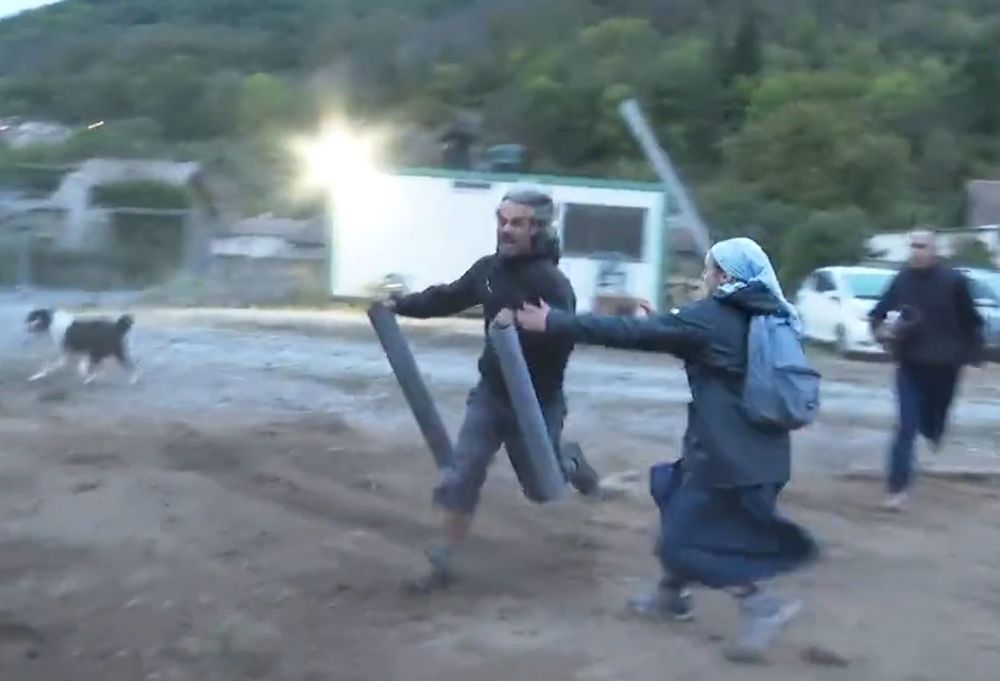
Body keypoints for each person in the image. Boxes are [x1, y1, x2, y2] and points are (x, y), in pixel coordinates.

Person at [517, 237, 818, 661]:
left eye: (709, 270)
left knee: (683, 541)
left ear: (725, 276)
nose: (703, 278)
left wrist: (555, 321)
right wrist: (665, 325)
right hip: (759, 456)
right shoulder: (770, 314)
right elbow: (706, 350)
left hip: (726, 459)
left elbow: (632, 334)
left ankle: (758, 604)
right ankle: (670, 597)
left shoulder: (713, 316)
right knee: (674, 496)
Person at [386, 187, 600, 593]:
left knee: (541, 489)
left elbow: (565, 338)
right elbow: (448, 296)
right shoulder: (488, 270)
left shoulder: (552, 284)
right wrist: (400, 305)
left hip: (537, 401)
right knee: (463, 470)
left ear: (537, 229)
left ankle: (570, 461)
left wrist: (527, 327)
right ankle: (444, 559)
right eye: (502, 221)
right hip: (491, 394)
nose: (506, 230)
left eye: (516, 223)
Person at [869, 230, 984, 511]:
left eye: (922, 246)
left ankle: (932, 430)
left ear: (934, 250)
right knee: (905, 427)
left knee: (933, 420)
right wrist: (882, 332)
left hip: (945, 365)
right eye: (913, 246)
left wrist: (973, 354)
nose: (916, 252)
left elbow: (971, 320)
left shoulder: (954, 281)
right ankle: (897, 489)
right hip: (910, 364)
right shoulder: (903, 278)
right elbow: (878, 313)